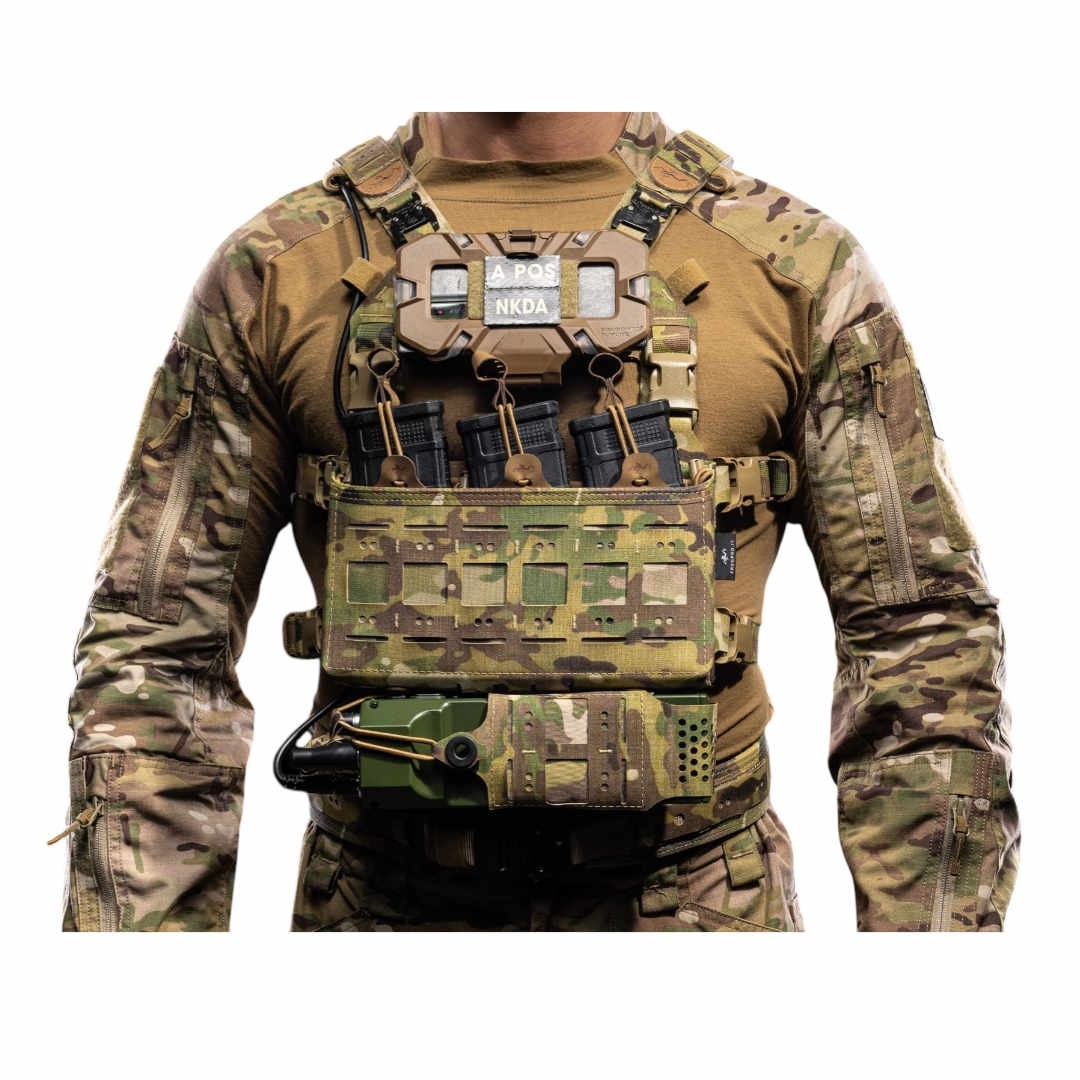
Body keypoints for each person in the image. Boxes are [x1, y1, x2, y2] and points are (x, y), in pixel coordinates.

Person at [56, 111, 1019, 931]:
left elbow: (923, 638)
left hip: (701, 911)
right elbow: (155, 652)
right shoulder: (276, 270)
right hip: (378, 916)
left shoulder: (795, 265)